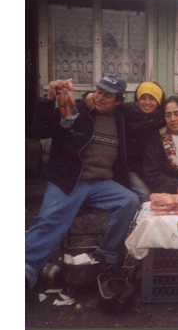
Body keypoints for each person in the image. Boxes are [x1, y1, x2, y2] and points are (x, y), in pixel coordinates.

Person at [26, 73, 139, 292]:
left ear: (118, 101)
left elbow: (152, 110)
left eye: (108, 95)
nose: (100, 97)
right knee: (49, 219)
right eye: (98, 92)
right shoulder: (76, 109)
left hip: (101, 184)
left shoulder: (122, 116)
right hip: (69, 180)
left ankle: (106, 256)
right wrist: (49, 98)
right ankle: (25, 270)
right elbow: (40, 130)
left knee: (130, 201)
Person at [85, 82, 178, 202]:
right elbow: (108, 102)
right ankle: (137, 219)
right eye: (143, 98)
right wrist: (89, 95)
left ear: (159, 101)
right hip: (131, 167)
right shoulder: (128, 110)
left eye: (152, 98)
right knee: (145, 194)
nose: (147, 103)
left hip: (151, 165)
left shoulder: (161, 114)